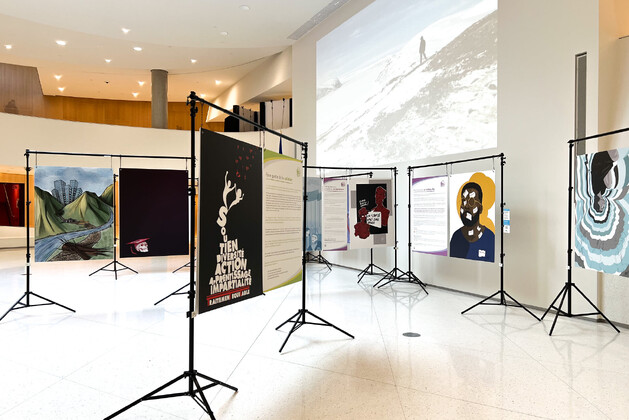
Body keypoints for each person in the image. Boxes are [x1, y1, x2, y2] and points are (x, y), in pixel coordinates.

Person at [449, 182, 494, 261]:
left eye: (471, 202)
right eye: (463, 201)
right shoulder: (456, 237)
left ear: (480, 208)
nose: (466, 206)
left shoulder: (490, 238)